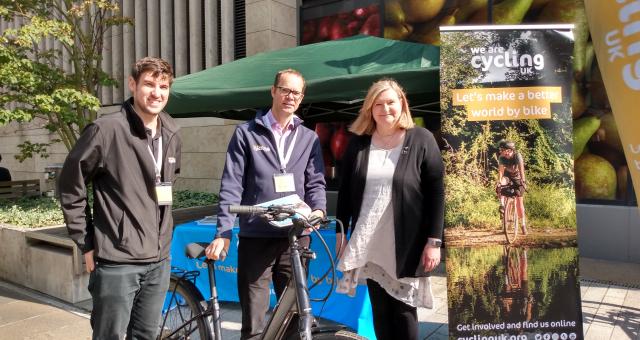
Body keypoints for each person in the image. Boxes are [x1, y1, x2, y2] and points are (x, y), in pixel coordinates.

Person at [59, 57, 181, 339]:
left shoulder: (172, 131)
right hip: (117, 261)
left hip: (159, 260)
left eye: (163, 86)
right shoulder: (106, 130)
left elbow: (165, 185)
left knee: (146, 335)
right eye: (149, 84)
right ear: (132, 84)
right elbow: (70, 185)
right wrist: (85, 241)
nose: (156, 93)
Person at [205, 69, 326, 340]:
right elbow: (232, 184)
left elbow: (316, 182)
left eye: (296, 92)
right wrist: (223, 232)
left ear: (302, 97)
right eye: (285, 90)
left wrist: (318, 210)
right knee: (254, 320)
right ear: (273, 91)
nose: (290, 96)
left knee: (294, 318)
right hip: (256, 236)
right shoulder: (246, 133)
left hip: (294, 237)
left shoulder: (309, 137)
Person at [334, 78, 445, 340]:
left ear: (402, 104)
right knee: (380, 310)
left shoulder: (421, 138)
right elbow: (345, 191)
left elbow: (436, 192)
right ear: (370, 109)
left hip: (406, 241)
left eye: (391, 102)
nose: (385, 109)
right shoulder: (359, 142)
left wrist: (434, 241)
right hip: (370, 240)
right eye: (378, 104)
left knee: (404, 310)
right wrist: (341, 232)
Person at [496, 139, 527, 235]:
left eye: (508, 151)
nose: (506, 154)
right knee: (501, 183)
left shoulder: (518, 156)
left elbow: (521, 168)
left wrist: (523, 181)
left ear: (512, 150)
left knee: (519, 203)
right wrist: (499, 182)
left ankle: (523, 225)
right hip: (508, 176)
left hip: (517, 177)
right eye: (504, 152)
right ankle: (502, 205)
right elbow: (501, 171)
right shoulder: (502, 157)